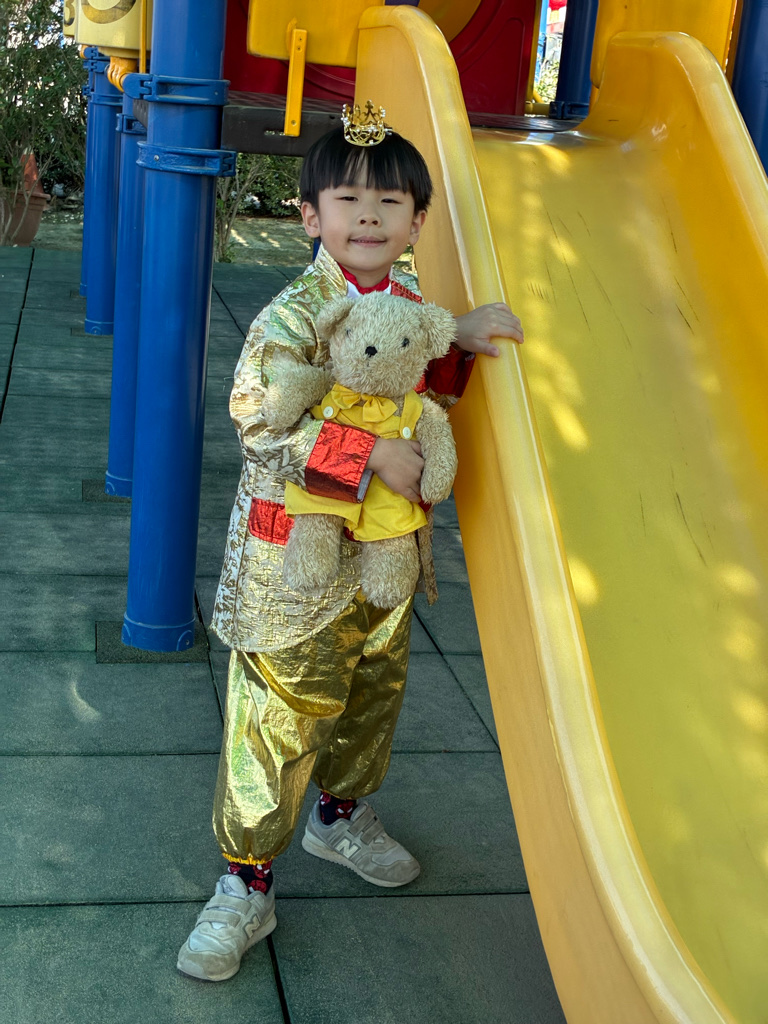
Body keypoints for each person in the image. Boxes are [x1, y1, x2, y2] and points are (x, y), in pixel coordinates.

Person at [177, 104, 523, 983]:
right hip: (296, 561)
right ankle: (244, 882)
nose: (368, 216)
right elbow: (258, 421)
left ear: (417, 220)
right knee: (277, 714)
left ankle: (339, 816)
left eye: (389, 202)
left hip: (384, 556)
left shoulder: (409, 304)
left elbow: (419, 380)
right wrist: (366, 458)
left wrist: (461, 340)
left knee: (372, 689)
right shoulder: (294, 316)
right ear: (311, 215)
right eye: (347, 199)